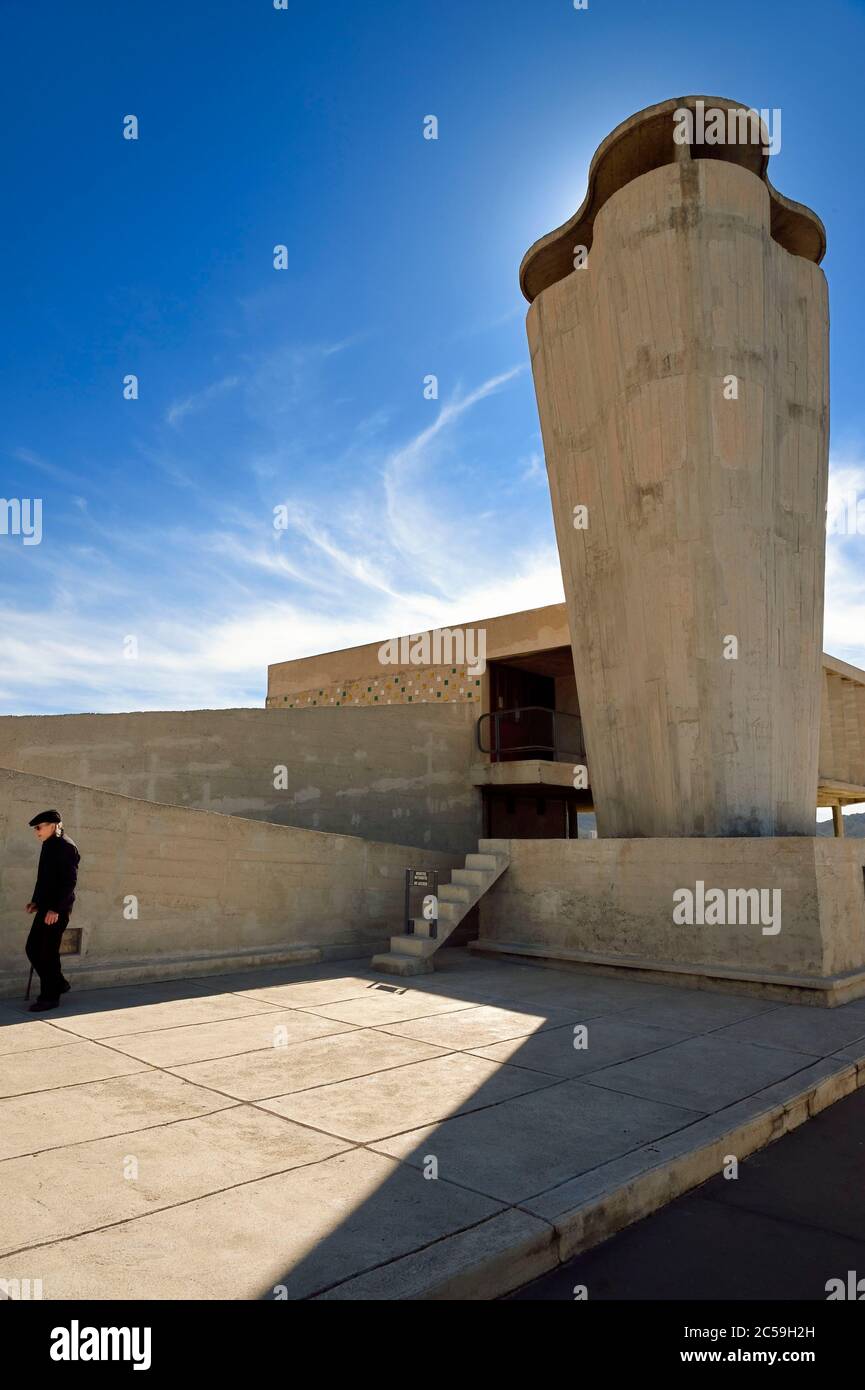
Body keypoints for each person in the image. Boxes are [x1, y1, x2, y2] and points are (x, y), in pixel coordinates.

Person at [24, 809, 80, 1012]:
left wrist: (56, 909)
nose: (36, 831)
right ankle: (59, 983)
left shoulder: (65, 846)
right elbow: (45, 880)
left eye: (39, 827)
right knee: (35, 949)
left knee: (44, 952)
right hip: (46, 908)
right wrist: (36, 902)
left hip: (57, 910)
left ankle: (50, 996)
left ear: (53, 826)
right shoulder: (50, 845)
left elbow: (69, 881)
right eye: (35, 828)